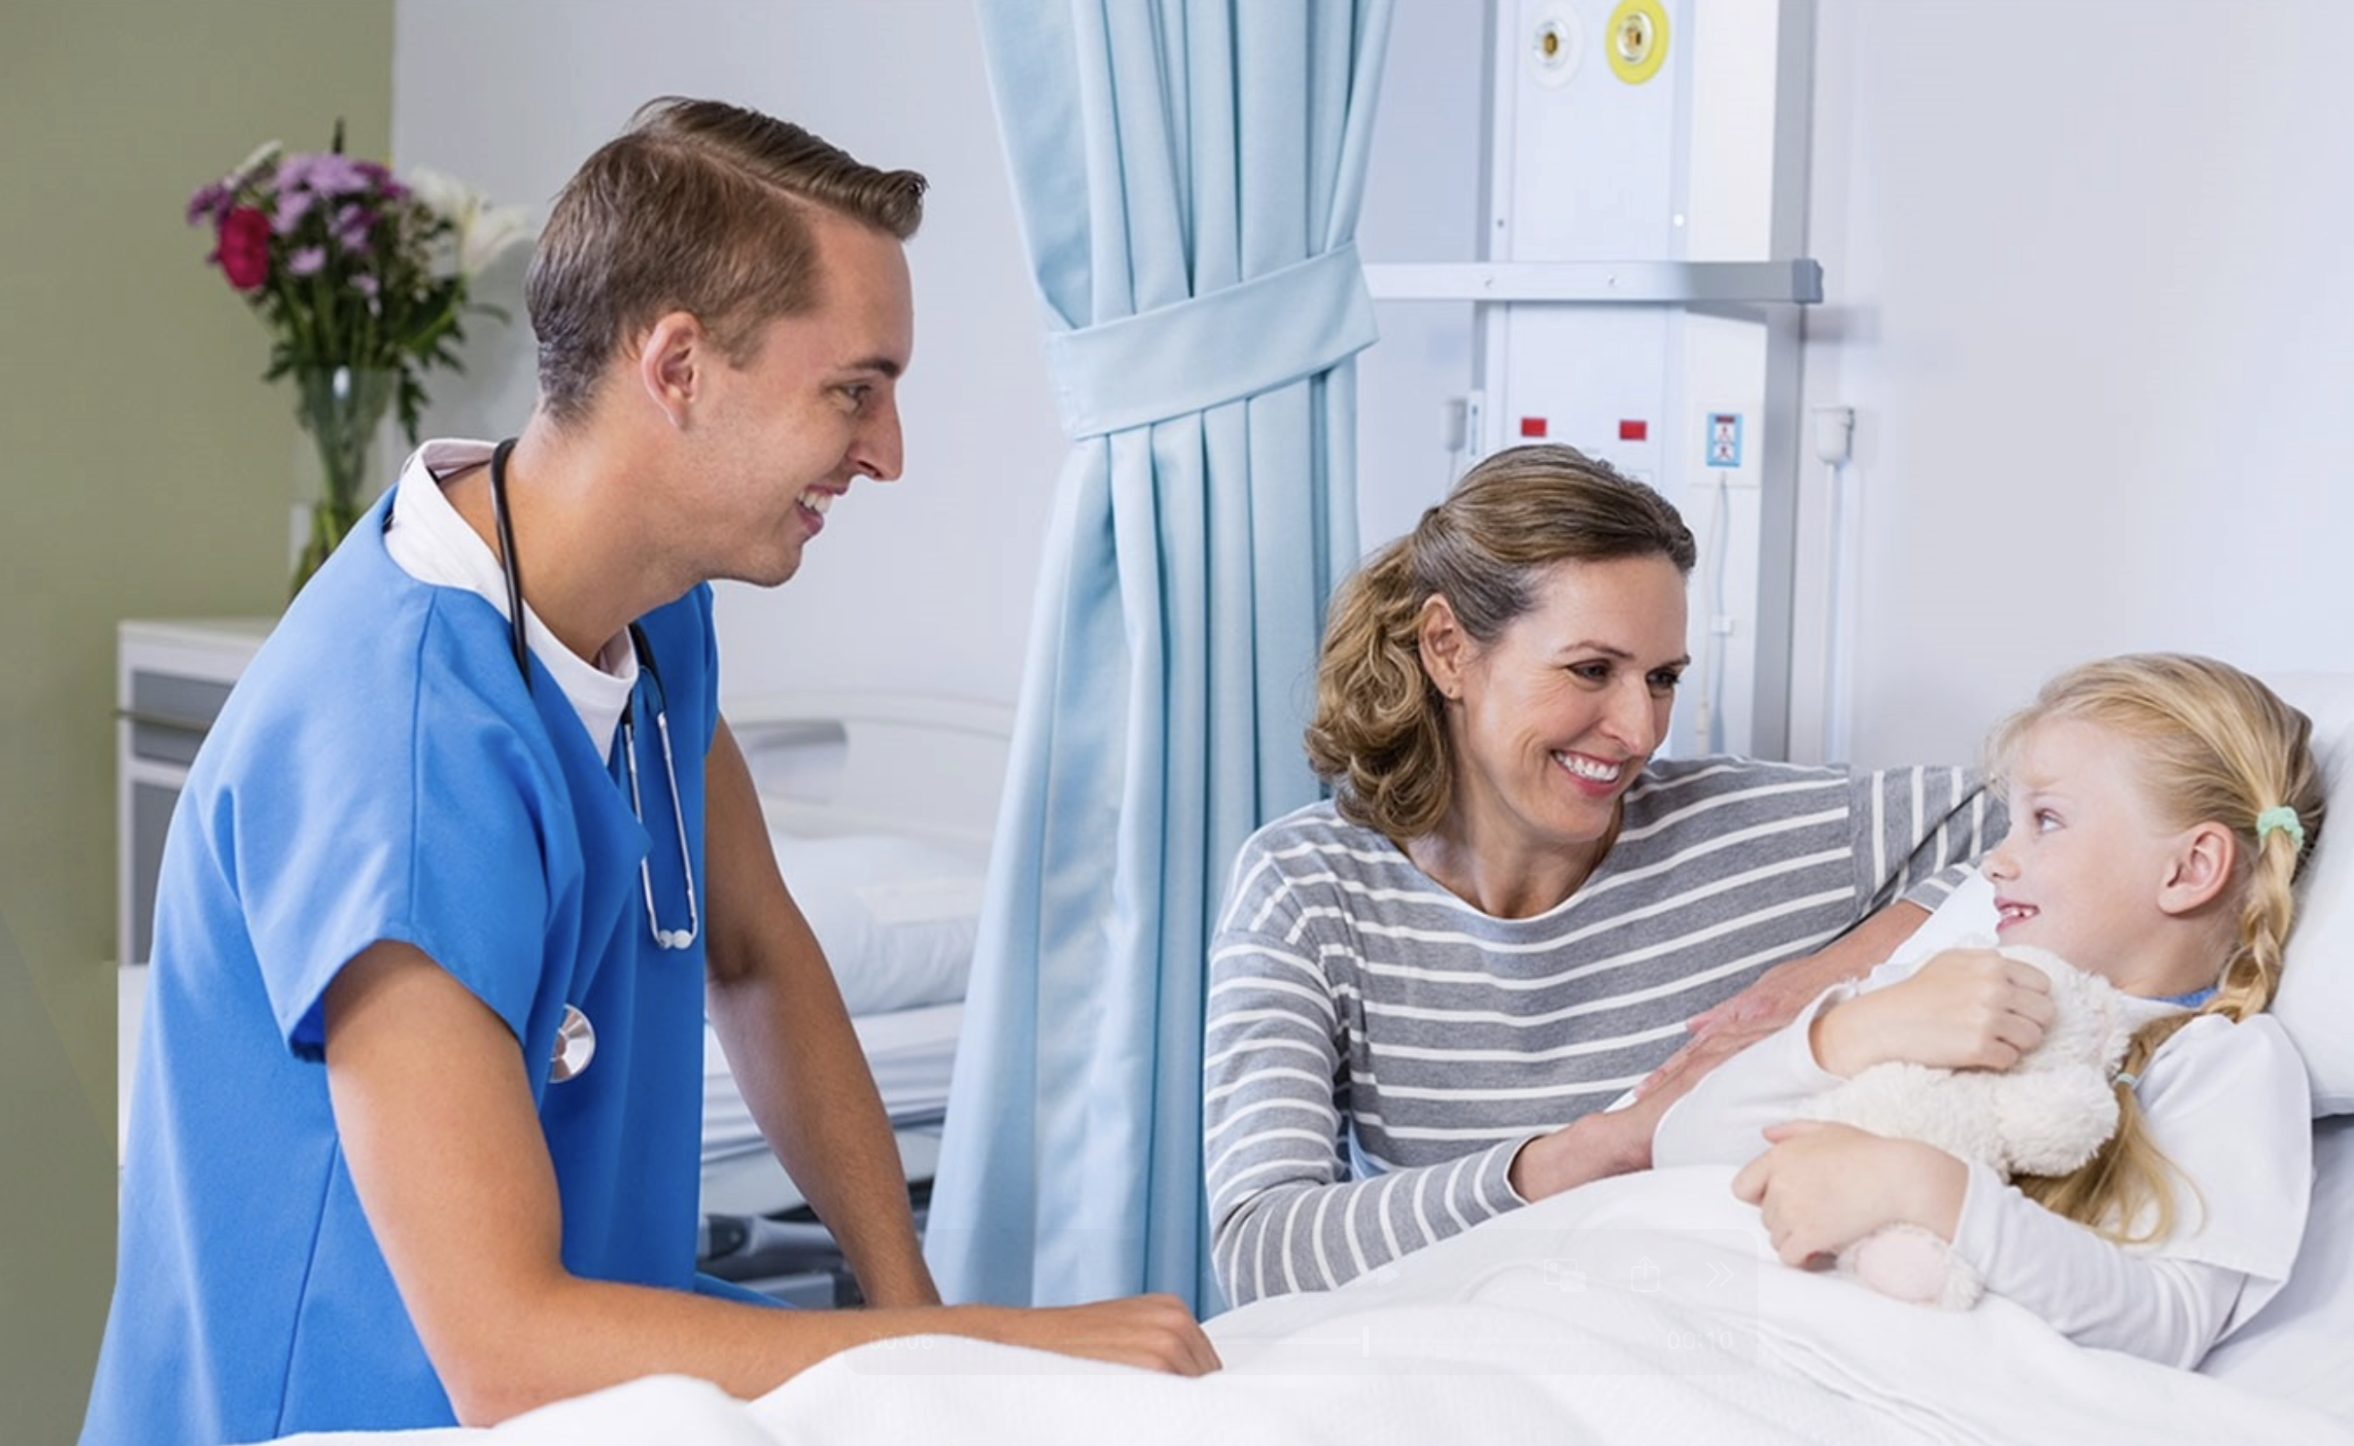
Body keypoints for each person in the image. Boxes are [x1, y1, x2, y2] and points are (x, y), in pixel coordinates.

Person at [83, 98, 1214, 1445]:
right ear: (676, 365)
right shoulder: (401, 745)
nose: (888, 452)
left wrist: (917, 1327)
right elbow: (506, 1350)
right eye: (852, 389)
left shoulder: (652, 608)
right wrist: (947, 1349)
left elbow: (752, 948)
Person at [1203, 444, 1998, 1306]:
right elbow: (1262, 1248)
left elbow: (2041, 827)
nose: (1638, 729)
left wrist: (1818, 983)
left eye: (1661, 680)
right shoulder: (1310, 887)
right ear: (1447, 650)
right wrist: (1591, 1155)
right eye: (1591, 671)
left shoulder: (1756, 833)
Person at [1659, 653, 2322, 1368]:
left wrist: (1924, 1190)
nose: (1995, 863)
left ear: (2189, 869)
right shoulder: (1944, 992)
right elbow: (1682, 1148)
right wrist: (1855, 1031)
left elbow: (2170, 1322)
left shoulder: (2220, 1061)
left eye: (2047, 819)